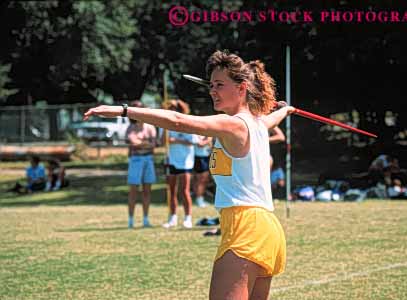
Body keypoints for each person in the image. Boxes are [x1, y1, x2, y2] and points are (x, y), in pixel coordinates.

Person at [83, 50, 295, 299]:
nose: (212, 90)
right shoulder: (257, 123)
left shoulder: (234, 124)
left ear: (242, 88)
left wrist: (123, 110)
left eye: (220, 85)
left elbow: (177, 120)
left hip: (246, 227)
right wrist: (286, 110)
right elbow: (271, 119)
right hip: (263, 227)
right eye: (211, 85)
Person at [162, 99, 197, 229]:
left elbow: (193, 141)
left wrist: (175, 140)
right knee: (171, 191)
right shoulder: (166, 125)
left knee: (185, 191)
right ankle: (173, 218)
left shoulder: (187, 124)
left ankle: (188, 218)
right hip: (171, 160)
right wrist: (164, 133)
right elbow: (162, 142)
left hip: (185, 162)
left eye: (173, 108)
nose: (171, 110)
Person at [125, 100, 157, 228]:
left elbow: (153, 145)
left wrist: (141, 143)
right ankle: (131, 220)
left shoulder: (150, 127)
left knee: (147, 191)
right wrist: (145, 143)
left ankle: (145, 219)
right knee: (133, 191)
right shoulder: (130, 128)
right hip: (136, 160)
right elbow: (133, 143)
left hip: (148, 159)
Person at [193, 134, 213, 207]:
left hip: (206, 156)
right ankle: (199, 199)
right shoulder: (194, 131)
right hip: (199, 157)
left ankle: (199, 198)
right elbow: (200, 144)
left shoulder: (206, 131)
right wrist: (208, 140)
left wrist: (208, 139)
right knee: (201, 180)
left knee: (203, 180)